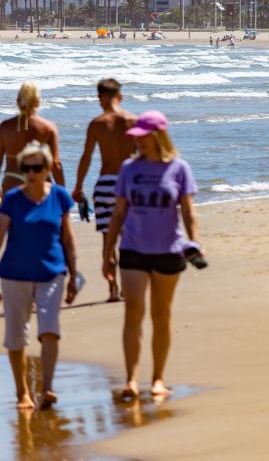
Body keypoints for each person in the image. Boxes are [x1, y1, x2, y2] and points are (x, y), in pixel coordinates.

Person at [103, 111, 202, 401]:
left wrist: (195, 242)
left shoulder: (179, 169)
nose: (139, 142)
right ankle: (132, 380)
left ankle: (158, 378)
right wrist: (107, 253)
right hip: (133, 249)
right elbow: (118, 213)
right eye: (137, 137)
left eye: (143, 136)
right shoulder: (129, 169)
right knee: (133, 313)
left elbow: (188, 210)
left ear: (158, 136)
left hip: (169, 251)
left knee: (162, 315)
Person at [0, 140, 79, 410]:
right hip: (14, 275)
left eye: (37, 167)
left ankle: (47, 388)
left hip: (52, 273)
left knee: (50, 330)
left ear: (48, 168)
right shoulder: (12, 199)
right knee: (16, 334)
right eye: (26, 167)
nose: (31, 172)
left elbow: (68, 239)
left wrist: (74, 274)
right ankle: (22, 392)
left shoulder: (59, 196)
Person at [73, 78, 137, 302]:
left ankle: (112, 289)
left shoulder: (97, 124)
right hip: (129, 183)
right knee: (129, 239)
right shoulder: (133, 121)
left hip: (106, 183)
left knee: (107, 240)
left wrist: (78, 186)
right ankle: (129, 288)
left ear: (100, 97)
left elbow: (86, 157)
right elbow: (142, 155)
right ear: (120, 96)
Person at [0, 83, 62, 207]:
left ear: (17, 102)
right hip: (40, 181)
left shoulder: (5, 127)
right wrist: (62, 192)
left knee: (14, 224)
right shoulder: (48, 127)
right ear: (38, 102)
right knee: (40, 223)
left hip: (12, 181)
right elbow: (55, 164)